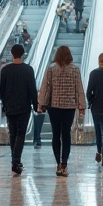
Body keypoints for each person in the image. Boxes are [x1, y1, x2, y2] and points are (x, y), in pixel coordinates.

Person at [37, 44, 86, 177]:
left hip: (54, 106)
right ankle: (64, 164)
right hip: (69, 107)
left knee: (56, 134)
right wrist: (82, 105)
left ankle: (58, 163)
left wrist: (41, 104)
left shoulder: (51, 69)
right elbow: (79, 88)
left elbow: (44, 87)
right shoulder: (75, 70)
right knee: (66, 135)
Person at [0, 43, 37, 176]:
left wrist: (5, 104)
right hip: (24, 107)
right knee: (21, 134)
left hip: (10, 107)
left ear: (12, 54)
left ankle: (15, 161)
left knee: (12, 134)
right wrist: (36, 105)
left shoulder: (5, 70)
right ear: (23, 54)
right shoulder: (28, 70)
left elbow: (2, 91)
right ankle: (16, 161)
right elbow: (32, 89)